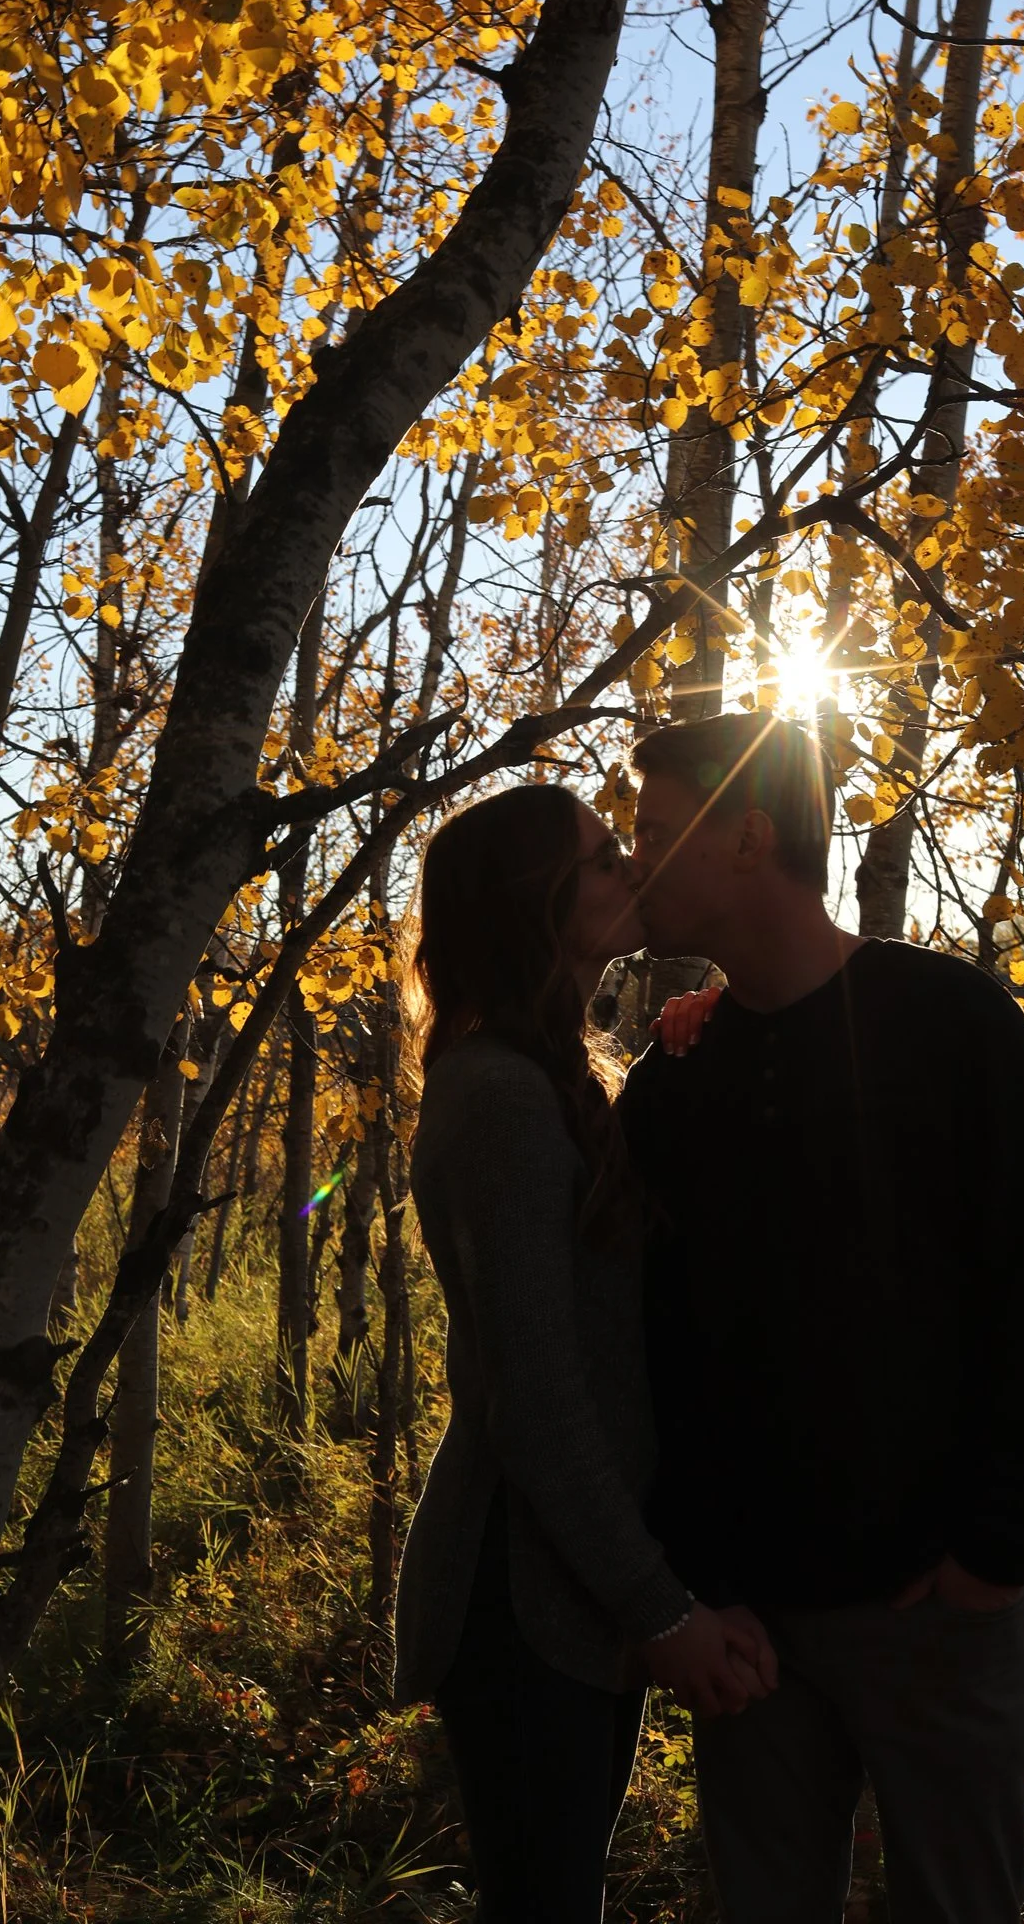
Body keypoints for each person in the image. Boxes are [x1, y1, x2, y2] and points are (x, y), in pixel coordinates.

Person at [620, 711, 1024, 1924]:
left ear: (744, 835)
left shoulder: (950, 1024)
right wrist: (687, 1587)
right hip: (752, 1636)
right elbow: (652, 1350)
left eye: (650, 829)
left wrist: (997, 1550)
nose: (632, 861)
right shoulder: (672, 1080)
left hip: (938, 1615)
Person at [392, 783, 777, 1924]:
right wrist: (662, 1613)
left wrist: (707, 1024)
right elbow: (536, 1398)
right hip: (523, 1597)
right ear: (536, 901)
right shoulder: (499, 1095)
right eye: (607, 860)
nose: (630, 873)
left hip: (570, 1585)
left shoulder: (554, 1075)